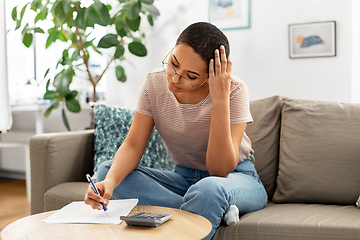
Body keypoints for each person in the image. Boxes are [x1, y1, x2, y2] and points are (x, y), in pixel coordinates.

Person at [84, 22, 267, 239]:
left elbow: (220, 171)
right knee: (107, 172)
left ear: (211, 75)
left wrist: (220, 101)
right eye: (173, 63)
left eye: (190, 76)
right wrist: (110, 183)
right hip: (183, 179)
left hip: (234, 179)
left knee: (209, 190)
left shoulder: (235, 90)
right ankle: (210, 209)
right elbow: (133, 145)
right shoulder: (154, 83)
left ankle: (210, 202)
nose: (175, 78)